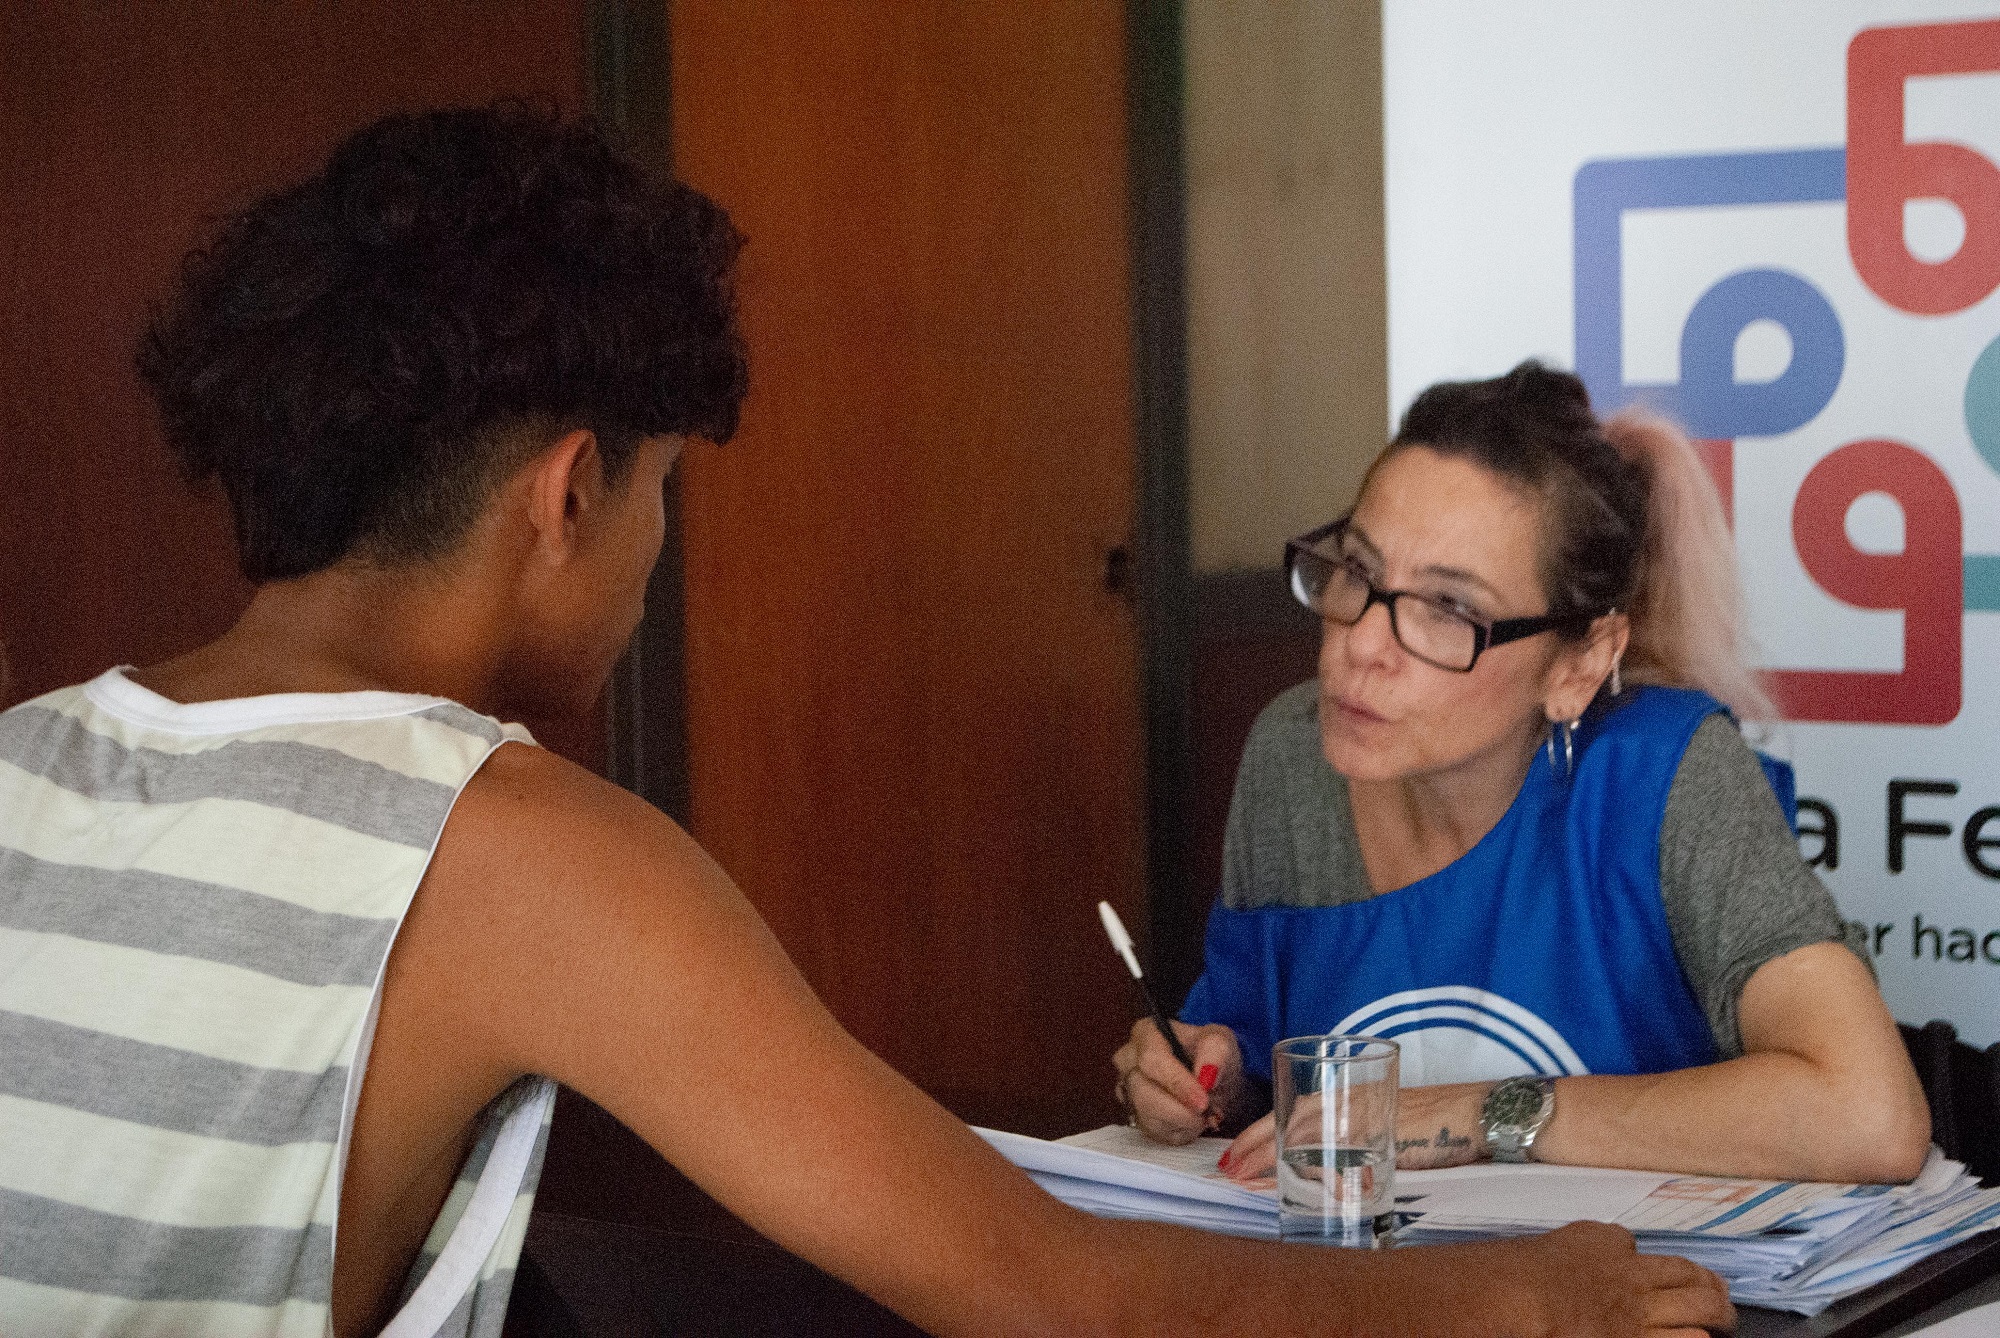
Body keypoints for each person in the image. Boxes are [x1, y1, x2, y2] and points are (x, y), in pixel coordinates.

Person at [0, 108, 1736, 1338]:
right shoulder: (505, 848)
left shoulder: (25, 752)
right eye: (663, 490)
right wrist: (1522, 1294)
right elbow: (1052, 1294)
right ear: (569, 493)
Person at [1115, 363, 1931, 1190]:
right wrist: (1206, 1080)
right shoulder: (1296, 756)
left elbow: (1870, 1116)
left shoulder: (1665, 776)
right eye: (1359, 571)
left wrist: (1468, 1115)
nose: (1362, 644)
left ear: (1580, 664)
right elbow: (1260, 1063)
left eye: (1449, 609)